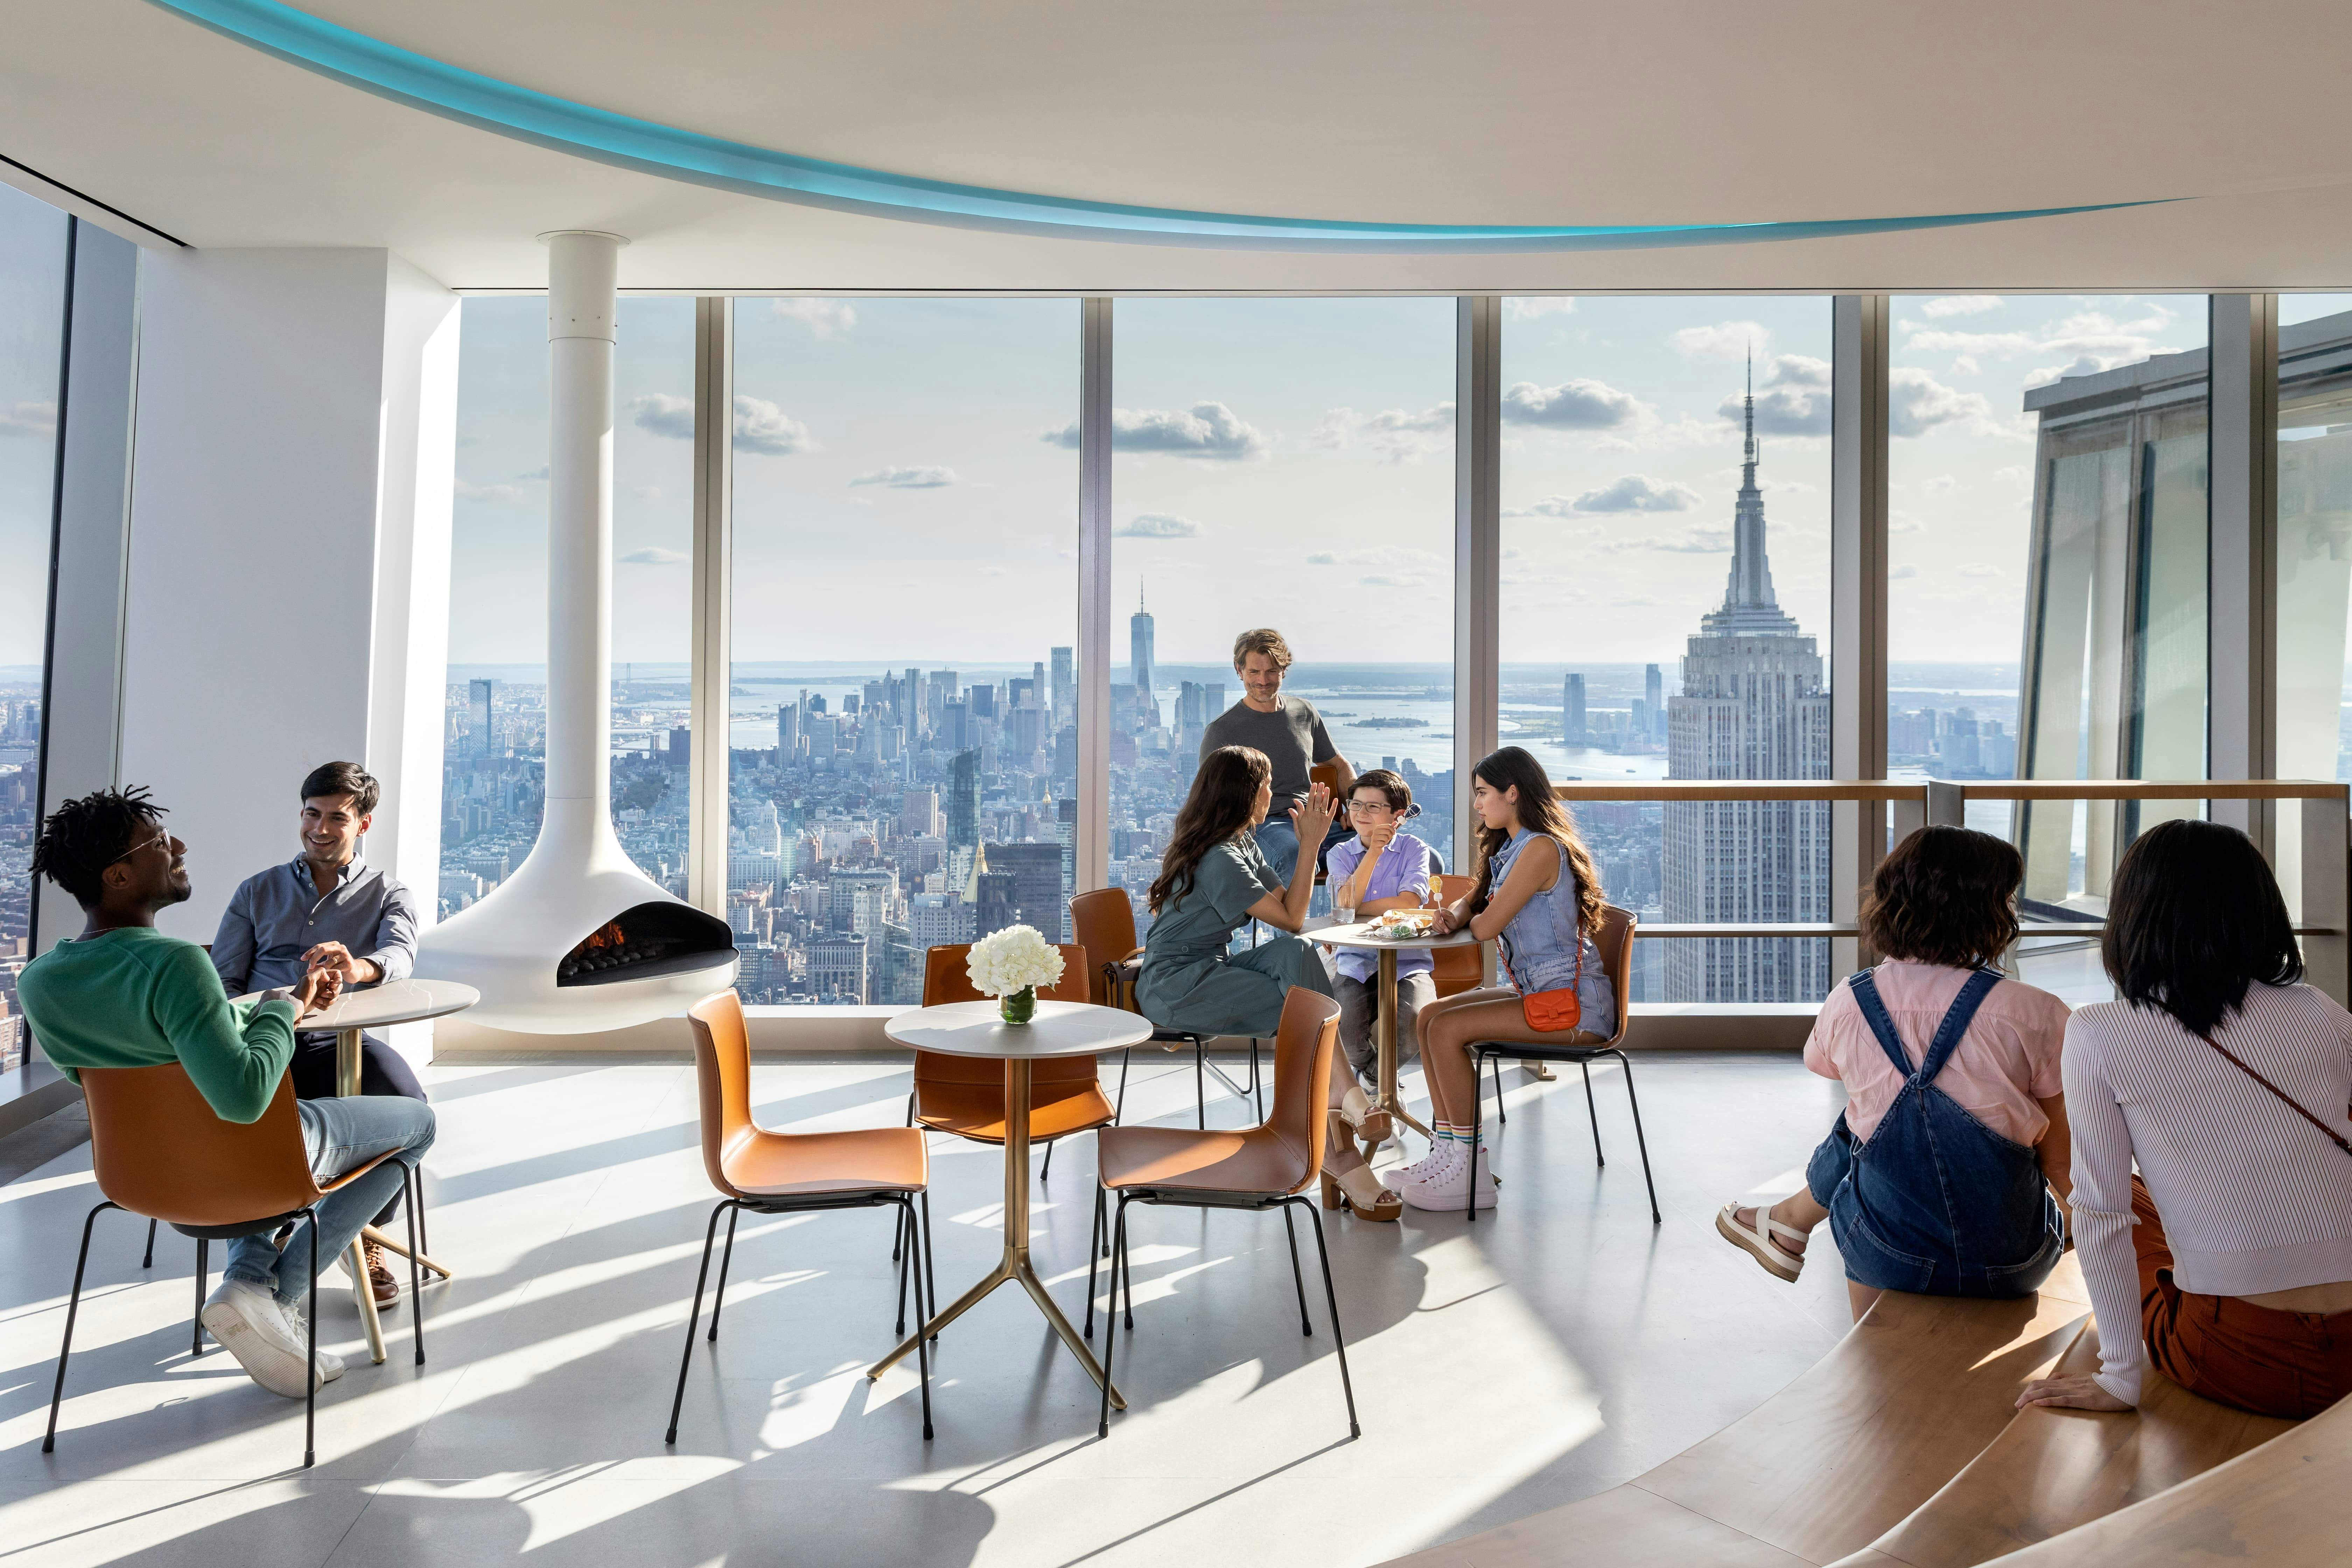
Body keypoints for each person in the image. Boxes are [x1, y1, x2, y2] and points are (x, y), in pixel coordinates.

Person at [17, 787, 435, 1400]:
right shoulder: (175, 963)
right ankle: (270, 1297)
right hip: (246, 1167)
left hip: (139, 1179)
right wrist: (277, 1012)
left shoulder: (40, 981)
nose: (178, 847)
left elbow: (136, 1069)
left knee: (282, 1126)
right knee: (417, 1123)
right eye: (159, 843)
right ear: (119, 875)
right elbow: (242, 1099)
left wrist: (271, 1011)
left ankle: (250, 1286)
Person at [2018, 819, 2352, 1420]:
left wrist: (2120, 1376)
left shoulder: (2099, 1032)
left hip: (2242, 1356)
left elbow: (2100, 1213)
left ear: (2132, 916)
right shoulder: (2319, 1010)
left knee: (2123, 1202)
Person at [1714, 826, 2071, 1321]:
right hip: (2013, 1265)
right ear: (1991, 913)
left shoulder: (1849, 1003)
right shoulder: (2036, 1012)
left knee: (1869, 1119)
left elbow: (1824, 1066)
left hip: (1887, 1258)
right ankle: (1787, 1221)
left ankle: (1790, 1224)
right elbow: (2062, 1165)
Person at [1135, 745, 1398, 1221]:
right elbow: (1295, 915)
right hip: (1177, 988)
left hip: (1211, 970)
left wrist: (1310, 844)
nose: (1273, 794)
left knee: (1296, 958)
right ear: (1248, 794)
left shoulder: (1242, 843)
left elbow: (1290, 918)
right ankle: (1342, 1143)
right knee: (1304, 1015)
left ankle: (1342, 1120)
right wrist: (1312, 845)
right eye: (1267, 785)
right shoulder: (1221, 859)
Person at [212, 760, 424, 1308]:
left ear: (364, 824)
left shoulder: (388, 892)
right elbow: (225, 982)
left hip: (339, 1039)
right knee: (254, 1117)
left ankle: (363, 1235)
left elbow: (400, 954)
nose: (320, 829)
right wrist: (273, 1009)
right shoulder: (256, 891)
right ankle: (279, 1238)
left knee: (407, 1103)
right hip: (263, 1037)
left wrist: (359, 969)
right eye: (311, 814)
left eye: (338, 818)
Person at [1403, 747, 1616, 1211]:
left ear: (1512, 792)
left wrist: (1465, 916)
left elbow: (1484, 926)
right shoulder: (1512, 847)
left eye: (1483, 793)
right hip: (1542, 993)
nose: (1477, 804)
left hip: (1573, 1006)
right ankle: (1447, 1153)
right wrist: (1454, 913)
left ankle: (1470, 1169)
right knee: (1431, 1016)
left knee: (1446, 1028)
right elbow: (1474, 901)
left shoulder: (1540, 849)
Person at [1196, 628, 1354, 883]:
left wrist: (1356, 807)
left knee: (1398, 850)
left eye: (1271, 671)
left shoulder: (1304, 712)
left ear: (1284, 671)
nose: (1263, 680)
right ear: (1239, 671)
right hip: (1263, 826)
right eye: (1254, 672)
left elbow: (1339, 764)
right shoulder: (1222, 730)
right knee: (1295, 856)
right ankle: (1292, 924)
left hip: (1315, 821)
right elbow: (1208, 798)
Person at [1324, 769, 1436, 1092]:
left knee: (1415, 1023)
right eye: (1356, 805)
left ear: (1398, 816)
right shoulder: (1340, 853)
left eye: (1373, 808)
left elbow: (1410, 903)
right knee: (1345, 1031)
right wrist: (1373, 852)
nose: (1360, 814)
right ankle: (1380, 1083)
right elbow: (1344, 905)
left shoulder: (1415, 849)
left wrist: (1356, 905)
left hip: (1408, 961)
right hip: (1355, 960)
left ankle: (1373, 1083)